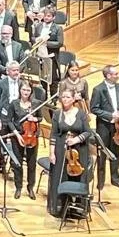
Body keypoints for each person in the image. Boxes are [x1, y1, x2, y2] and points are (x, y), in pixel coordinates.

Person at [45, 87, 91, 220]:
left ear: (73, 99)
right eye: (63, 97)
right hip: (61, 150)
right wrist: (52, 153)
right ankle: (60, 207)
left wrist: (76, 139)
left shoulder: (81, 114)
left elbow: (88, 132)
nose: (65, 99)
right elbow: (53, 134)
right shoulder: (57, 114)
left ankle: (78, 208)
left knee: (78, 176)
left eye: (68, 97)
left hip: (79, 151)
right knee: (60, 176)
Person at [89, 65, 119, 192]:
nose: (118, 75)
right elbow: (94, 108)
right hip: (104, 125)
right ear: (108, 76)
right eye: (115, 74)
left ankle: (115, 178)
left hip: (118, 125)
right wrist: (111, 115)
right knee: (102, 153)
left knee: (116, 151)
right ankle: (100, 181)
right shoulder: (98, 89)